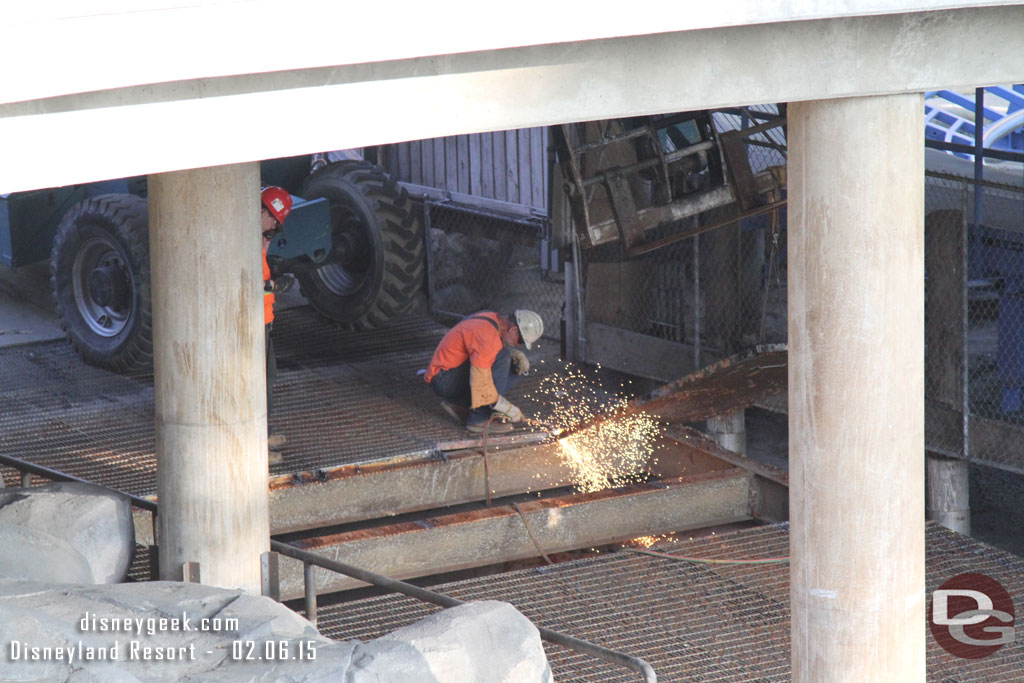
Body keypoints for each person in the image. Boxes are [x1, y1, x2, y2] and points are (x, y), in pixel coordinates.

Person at [425, 310, 543, 433]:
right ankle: (479, 420)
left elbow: (480, 350)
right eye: (521, 341)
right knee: (503, 357)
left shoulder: (492, 319)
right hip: (443, 379)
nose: (518, 345)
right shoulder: (487, 336)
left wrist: (514, 354)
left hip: (446, 374)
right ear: (513, 330)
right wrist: (504, 406)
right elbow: (480, 380)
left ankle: (460, 404)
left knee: (517, 367)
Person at [260, 186, 293, 463]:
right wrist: (273, 285)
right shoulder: (246, 245)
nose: (274, 226)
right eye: (273, 219)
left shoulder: (258, 243)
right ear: (261, 212)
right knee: (260, 384)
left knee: (268, 381)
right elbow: (252, 284)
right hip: (254, 324)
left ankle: (263, 434)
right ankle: (258, 445)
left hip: (264, 322)